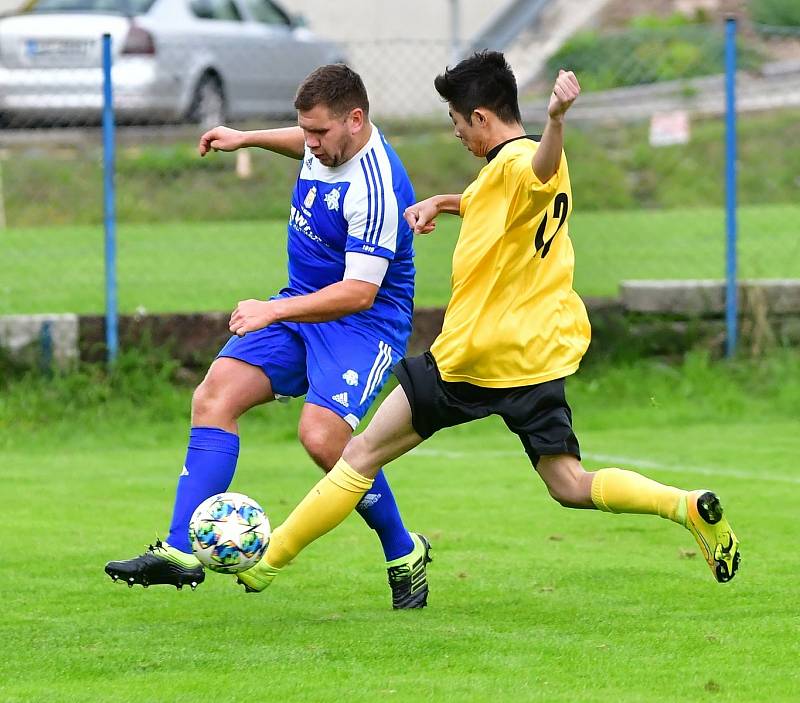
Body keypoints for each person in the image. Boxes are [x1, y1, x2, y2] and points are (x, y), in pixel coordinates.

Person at [226, 52, 741, 600]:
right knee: (568, 484)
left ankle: (268, 561)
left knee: (359, 453)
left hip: (472, 356)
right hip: (535, 356)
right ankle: (684, 506)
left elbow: (536, 169)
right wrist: (442, 203)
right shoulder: (499, 173)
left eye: (455, 123)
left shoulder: (523, 162)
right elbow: (494, 198)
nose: (456, 135)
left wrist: (559, 120)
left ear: (480, 118)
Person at [105, 64, 432, 610]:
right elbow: (302, 143)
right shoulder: (327, 142)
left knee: (324, 441)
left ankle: (404, 550)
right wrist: (247, 137)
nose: (310, 144)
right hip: (299, 307)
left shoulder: (374, 187)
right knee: (214, 397)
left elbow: (358, 294)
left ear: (355, 120)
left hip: (362, 327)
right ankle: (181, 551)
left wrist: (271, 310)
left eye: (319, 133)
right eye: (304, 131)